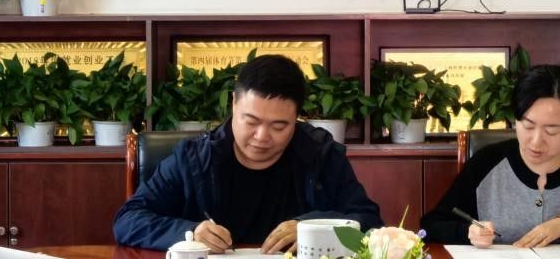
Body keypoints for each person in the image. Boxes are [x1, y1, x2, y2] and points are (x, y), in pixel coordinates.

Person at [113, 54, 383, 252]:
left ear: (297, 117)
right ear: (234, 103)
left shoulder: (321, 155)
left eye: (279, 126)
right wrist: (190, 232)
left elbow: (370, 222)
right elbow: (128, 220)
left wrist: (313, 228)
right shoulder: (194, 159)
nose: (261, 137)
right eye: (251, 121)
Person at [421, 65, 560, 248]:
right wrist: (468, 232)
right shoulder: (486, 163)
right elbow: (431, 226)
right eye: (528, 126)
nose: (536, 142)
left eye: (552, 130)